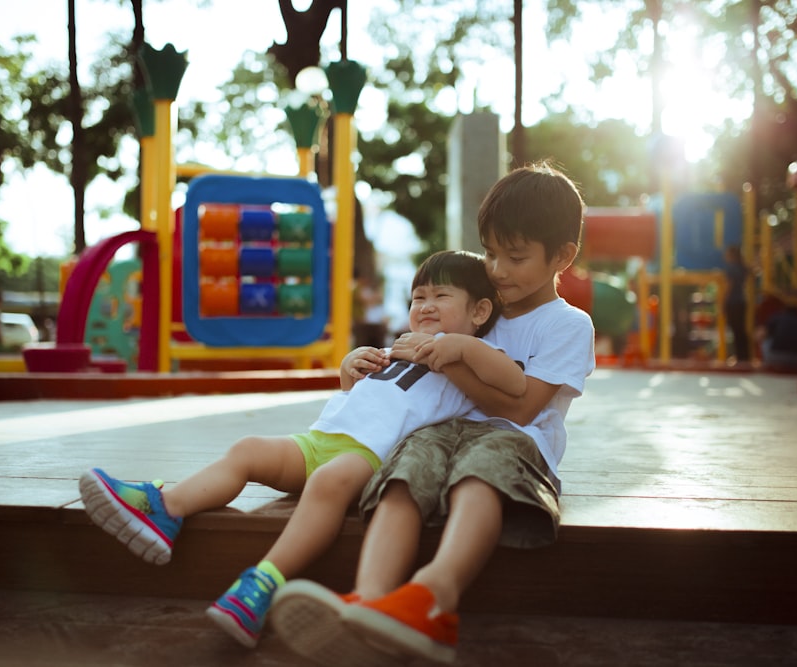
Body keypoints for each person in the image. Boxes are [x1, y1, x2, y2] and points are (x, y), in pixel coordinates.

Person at [77, 250, 526, 649]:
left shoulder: (470, 358)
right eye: (417, 298)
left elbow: (513, 381)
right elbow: (367, 396)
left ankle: (262, 584)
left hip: (368, 456)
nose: (425, 306)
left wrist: (455, 345)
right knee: (248, 448)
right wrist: (351, 370)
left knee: (328, 483)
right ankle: (166, 509)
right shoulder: (401, 347)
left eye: (440, 297)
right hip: (319, 440)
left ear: (480, 311)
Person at [270, 162, 596, 665]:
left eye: (516, 256)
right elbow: (420, 374)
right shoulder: (479, 305)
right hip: (442, 430)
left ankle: (431, 598)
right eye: (490, 253)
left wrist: (451, 352)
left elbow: (526, 407)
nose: (499, 270)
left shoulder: (567, 324)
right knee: (403, 472)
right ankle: (371, 601)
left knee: (479, 474)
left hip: (517, 441)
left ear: (563, 257)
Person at [757, 304, 797, 369]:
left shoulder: (777, 317)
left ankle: (766, 364)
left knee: (767, 339)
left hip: (778, 358)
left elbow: (760, 335)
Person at [723, 245, 750, 362]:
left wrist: (723, 300)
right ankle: (745, 356)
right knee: (741, 330)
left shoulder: (731, 268)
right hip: (742, 301)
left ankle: (740, 357)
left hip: (733, 302)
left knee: (735, 329)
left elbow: (729, 286)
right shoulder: (742, 268)